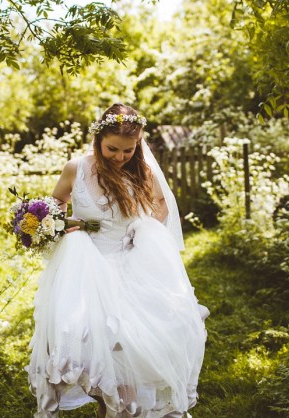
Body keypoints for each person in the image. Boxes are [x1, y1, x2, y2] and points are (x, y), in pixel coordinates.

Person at [27, 103, 208, 418]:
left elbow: (161, 203)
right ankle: (107, 403)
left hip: (130, 265)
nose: (120, 157)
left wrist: (146, 227)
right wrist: (51, 225)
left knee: (127, 348)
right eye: (113, 148)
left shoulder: (143, 172)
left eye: (128, 150)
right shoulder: (76, 169)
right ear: (97, 138)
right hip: (85, 268)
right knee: (90, 343)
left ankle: (120, 408)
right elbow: (55, 203)